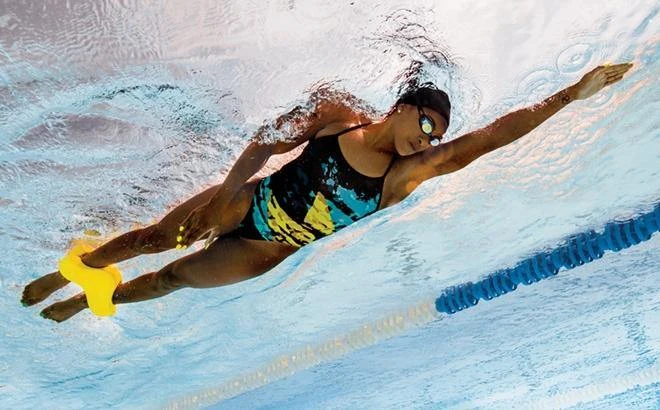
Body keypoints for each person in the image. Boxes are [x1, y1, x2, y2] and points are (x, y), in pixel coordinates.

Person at [21, 63, 633, 322]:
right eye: (426, 124)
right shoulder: (338, 117)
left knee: (171, 279)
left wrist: (568, 95)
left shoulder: (402, 179)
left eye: (437, 137)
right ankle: (75, 267)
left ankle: (90, 301)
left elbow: (490, 139)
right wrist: (224, 197)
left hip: (265, 251)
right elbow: (265, 145)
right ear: (404, 106)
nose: (428, 141)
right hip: (248, 200)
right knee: (156, 238)